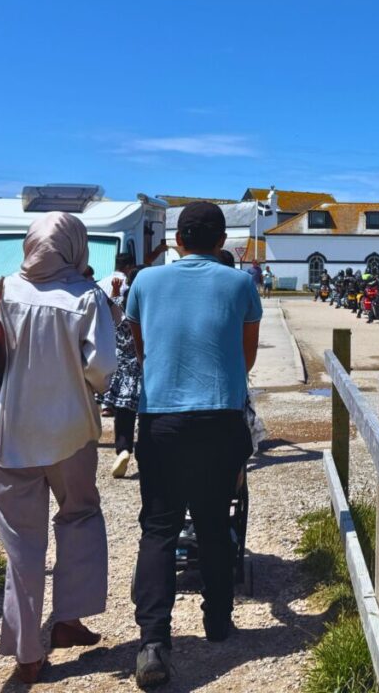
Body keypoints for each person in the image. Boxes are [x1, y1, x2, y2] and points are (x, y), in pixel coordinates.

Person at [0, 212, 116, 685]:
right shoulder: (86, 297)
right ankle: (68, 618)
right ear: (75, 247)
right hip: (71, 432)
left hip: (10, 433)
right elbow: (102, 370)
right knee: (80, 517)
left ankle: (27, 653)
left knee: (22, 545)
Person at [125, 201, 261, 689]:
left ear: (177, 239)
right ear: (221, 240)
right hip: (220, 417)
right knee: (212, 518)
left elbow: (142, 349)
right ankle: (218, 620)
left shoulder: (144, 282)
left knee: (159, 527)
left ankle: (153, 642)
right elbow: (245, 358)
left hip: (161, 417)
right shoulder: (241, 284)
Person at [104, 265, 146, 479]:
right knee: (148, 416)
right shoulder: (151, 306)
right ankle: (147, 453)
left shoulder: (120, 303)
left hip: (123, 368)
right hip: (146, 368)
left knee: (123, 413)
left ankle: (123, 449)